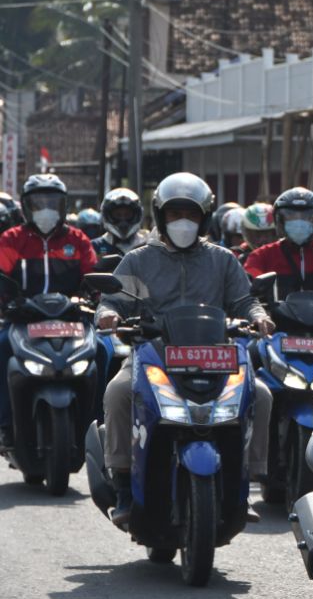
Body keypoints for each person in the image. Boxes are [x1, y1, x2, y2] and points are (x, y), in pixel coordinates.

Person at [97, 173, 275, 526]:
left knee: (262, 394)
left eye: (191, 215)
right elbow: (111, 301)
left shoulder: (222, 260)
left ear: (204, 218)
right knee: (118, 393)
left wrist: (258, 317)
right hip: (153, 354)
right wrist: (110, 315)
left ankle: (248, 479)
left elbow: (244, 300)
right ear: (160, 216)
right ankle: (122, 483)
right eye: (176, 214)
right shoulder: (138, 259)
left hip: (215, 357)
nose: (183, 222)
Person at [0, 174, 98, 449]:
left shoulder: (78, 240)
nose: (46, 209)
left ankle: (99, 426)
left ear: (63, 206)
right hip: (23, 320)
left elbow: (93, 277)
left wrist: (93, 297)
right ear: (26, 206)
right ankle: (6, 425)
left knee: (102, 350)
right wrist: (8, 302)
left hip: (72, 320)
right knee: (2, 346)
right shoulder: (12, 239)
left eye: (52, 202)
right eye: (39, 202)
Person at [243, 188, 313, 299]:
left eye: (306, 217)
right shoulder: (261, 256)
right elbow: (248, 290)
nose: (299, 222)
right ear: (280, 221)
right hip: (272, 316)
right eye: (291, 216)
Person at [92, 188, 149, 257]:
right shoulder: (96, 246)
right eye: (118, 215)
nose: (123, 220)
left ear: (136, 215)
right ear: (107, 215)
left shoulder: (146, 244)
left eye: (127, 214)